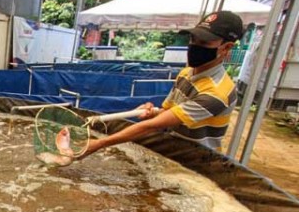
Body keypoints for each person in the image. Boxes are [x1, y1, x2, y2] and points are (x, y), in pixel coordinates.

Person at [80, 11, 245, 158]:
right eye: (193, 40)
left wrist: (98, 144)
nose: (194, 47)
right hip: (174, 151)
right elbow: (168, 112)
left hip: (197, 161)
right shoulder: (187, 73)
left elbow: (150, 127)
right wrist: (153, 112)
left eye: (204, 43)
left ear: (226, 48)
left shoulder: (216, 93)